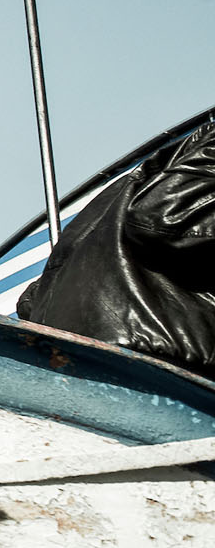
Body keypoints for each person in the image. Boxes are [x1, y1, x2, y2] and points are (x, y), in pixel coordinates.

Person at [17, 119, 215, 378]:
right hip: (162, 360)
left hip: (75, 363)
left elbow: (31, 299)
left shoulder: (111, 206)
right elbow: (162, 218)